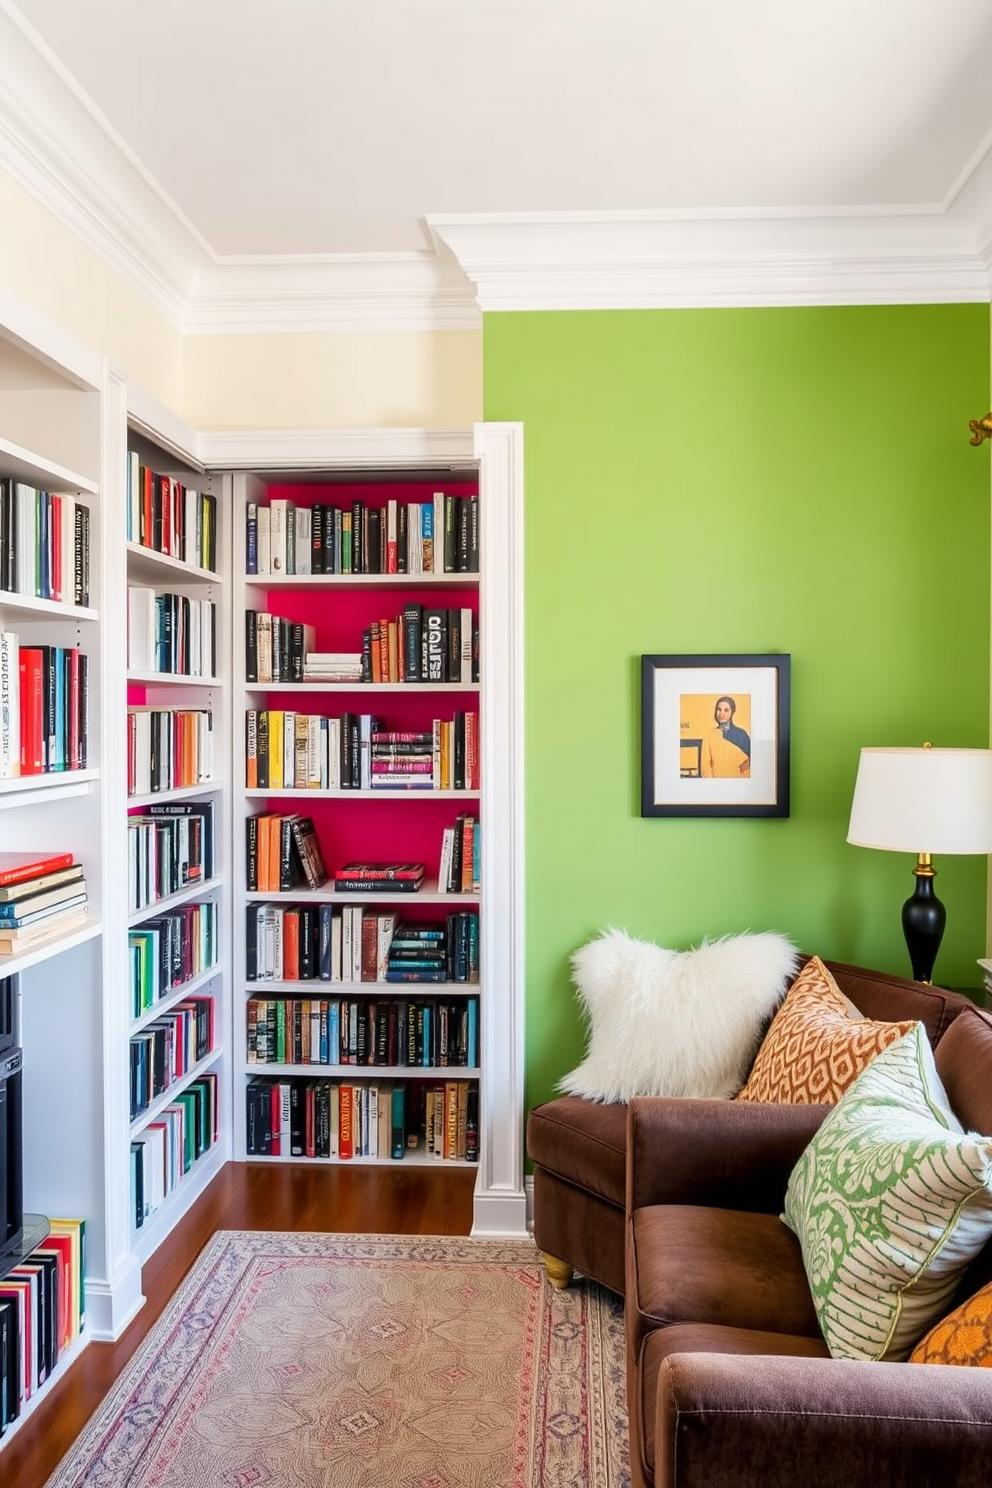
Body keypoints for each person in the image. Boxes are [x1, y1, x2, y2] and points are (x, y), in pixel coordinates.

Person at [700, 696, 750, 778]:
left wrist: (740, 769)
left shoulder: (741, 734)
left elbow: (754, 757)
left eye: (726, 710)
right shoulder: (709, 735)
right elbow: (705, 766)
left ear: (732, 712)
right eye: (719, 709)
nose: (721, 714)